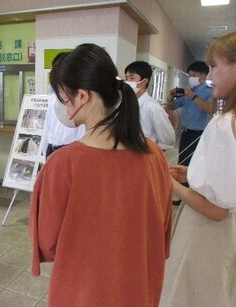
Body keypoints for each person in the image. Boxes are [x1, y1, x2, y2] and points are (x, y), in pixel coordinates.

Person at [29, 43, 173, 306]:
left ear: (82, 97)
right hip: (139, 290)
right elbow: (162, 229)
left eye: (63, 97)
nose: (61, 105)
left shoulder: (62, 164)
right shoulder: (154, 155)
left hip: (83, 292)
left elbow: (47, 244)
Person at [160, 30, 236, 307]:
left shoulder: (225, 124)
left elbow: (216, 210)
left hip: (207, 233)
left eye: (216, 66)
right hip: (233, 232)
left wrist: (171, 185)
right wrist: (193, 175)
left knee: (190, 292)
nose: (211, 76)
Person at [166, 61, 213, 166]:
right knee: (182, 161)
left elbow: (210, 109)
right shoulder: (188, 91)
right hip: (185, 132)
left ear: (203, 76)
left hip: (199, 134)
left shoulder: (210, 91)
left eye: (194, 75)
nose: (191, 78)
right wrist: (170, 96)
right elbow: (171, 107)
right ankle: (182, 182)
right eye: (190, 75)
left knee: (194, 163)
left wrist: (193, 96)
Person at [42, 52, 86, 158]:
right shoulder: (52, 99)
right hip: (52, 147)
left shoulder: (79, 98)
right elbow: (47, 126)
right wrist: (44, 155)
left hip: (71, 149)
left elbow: (82, 129)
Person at [124, 61, 175, 150]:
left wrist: (153, 157)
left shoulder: (153, 107)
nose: (127, 82)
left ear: (144, 81)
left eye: (132, 78)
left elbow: (168, 140)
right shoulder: (126, 103)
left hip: (145, 154)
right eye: (126, 78)